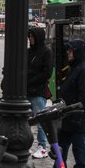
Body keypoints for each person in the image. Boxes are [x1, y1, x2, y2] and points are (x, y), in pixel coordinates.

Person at [43, 39, 85, 168]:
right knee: (61, 144)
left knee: (78, 146)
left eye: (70, 51)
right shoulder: (74, 67)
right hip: (67, 115)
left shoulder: (83, 69)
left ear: (77, 52)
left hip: (76, 116)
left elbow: (84, 96)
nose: (68, 53)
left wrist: (78, 115)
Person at [27, 26, 53, 159]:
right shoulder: (28, 52)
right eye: (29, 36)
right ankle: (27, 145)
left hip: (38, 92)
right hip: (27, 91)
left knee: (41, 120)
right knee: (26, 120)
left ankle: (42, 147)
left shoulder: (46, 52)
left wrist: (30, 80)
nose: (30, 39)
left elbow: (47, 72)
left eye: (32, 36)